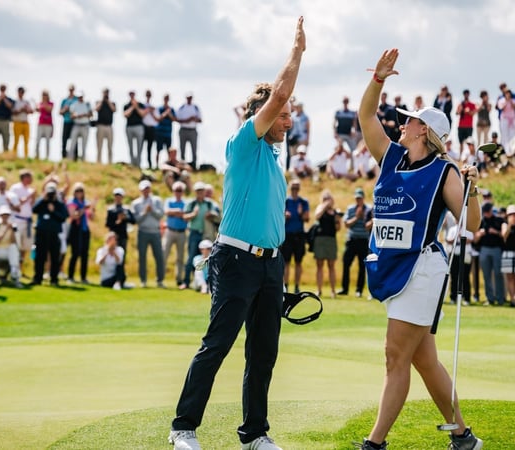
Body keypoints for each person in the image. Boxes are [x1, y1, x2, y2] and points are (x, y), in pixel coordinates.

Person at [169, 17, 304, 450]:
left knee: (263, 354)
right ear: (261, 115)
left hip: (269, 265)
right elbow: (280, 92)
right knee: (217, 346)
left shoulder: (275, 158)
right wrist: (297, 52)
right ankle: (183, 428)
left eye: (289, 114)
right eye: (283, 113)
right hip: (234, 259)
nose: (289, 118)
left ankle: (254, 435)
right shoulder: (243, 142)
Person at [356, 48, 482, 450]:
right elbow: (365, 117)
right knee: (423, 360)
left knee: (395, 356)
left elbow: (471, 222)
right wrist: (377, 79)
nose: (404, 124)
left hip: (423, 271)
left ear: (425, 133)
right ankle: (462, 436)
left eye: (411, 122)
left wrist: (473, 188)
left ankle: (375, 442)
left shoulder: (444, 170)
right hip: (395, 267)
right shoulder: (391, 158)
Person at [182, 181, 219, 289]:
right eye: (198, 191)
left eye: (202, 191)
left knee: (207, 259)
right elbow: (185, 217)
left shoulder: (209, 203)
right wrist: (193, 214)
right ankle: (187, 281)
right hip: (194, 233)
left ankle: (208, 282)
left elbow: (217, 214)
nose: (200, 193)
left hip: (207, 234)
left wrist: (212, 214)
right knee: (191, 258)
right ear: (195, 192)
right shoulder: (192, 204)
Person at [30, 182, 69, 286]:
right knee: (39, 257)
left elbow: (64, 217)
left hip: (54, 234)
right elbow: (34, 210)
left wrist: (53, 211)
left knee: (55, 257)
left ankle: (54, 279)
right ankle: (37, 278)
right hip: (41, 233)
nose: (51, 195)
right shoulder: (42, 201)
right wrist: (43, 199)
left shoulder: (59, 203)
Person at [337, 187, 371, 298]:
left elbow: (369, 226)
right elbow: (346, 224)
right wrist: (357, 217)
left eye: (360, 198)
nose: (358, 200)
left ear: (363, 198)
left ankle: (359, 290)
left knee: (362, 266)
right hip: (352, 240)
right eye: (356, 198)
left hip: (363, 240)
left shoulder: (369, 209)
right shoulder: (351, 209)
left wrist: (364, 218)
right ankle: (344, 288)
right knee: (346, 264)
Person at [131, 180, 165, 288]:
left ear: (150, 189)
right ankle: (143, 280)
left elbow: (160, 215)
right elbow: (136, 220)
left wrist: (152, 210)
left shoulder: (157, 200)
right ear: (140, 190)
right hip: (143, 232)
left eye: (147, 189)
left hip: (155, 231)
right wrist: (145, 213)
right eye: (144, 189)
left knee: (159, 257)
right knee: (142, 257)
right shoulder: (136, 203)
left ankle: (160, 280)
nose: (146, 191)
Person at [281, 179, 309, 294]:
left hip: (299, 235)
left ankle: (297, 286)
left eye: (297, 188)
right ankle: (286, 285)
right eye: (293, 188)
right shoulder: (285, 201)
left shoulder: (303, 202)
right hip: (287, 234)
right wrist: (285, 216)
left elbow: (307, 218)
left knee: (298, 262)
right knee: (286, 262)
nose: (295, 190)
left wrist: (301, 213)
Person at [312, 189, 340, 298]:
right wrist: (324, 205)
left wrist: (337, 220)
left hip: (331, 240)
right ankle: (319, 290)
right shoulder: (320, 208)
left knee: (331, 265)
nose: (328, 201)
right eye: (325, 198)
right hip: (320, 239)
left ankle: (333, 291)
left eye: (329, 198)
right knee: (319, 265)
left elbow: (338, 228)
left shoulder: (335, 212)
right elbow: (317, 216)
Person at [476, 202, 505, 305]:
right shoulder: (481, 221)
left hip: (496, 249)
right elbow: (475, 239)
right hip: (484, 249)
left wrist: (496, 232)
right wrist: (480, 234)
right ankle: (490, 298)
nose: (486, 214)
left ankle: (500, 298)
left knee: (498, 274)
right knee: (486, 275)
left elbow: (504, 235)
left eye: (488, 212)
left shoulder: (499, 220)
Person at [106, 187, 135, 284]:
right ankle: (114, 279)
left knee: (121, 258)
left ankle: (121, 279)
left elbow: (133, 220)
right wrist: (117, 222)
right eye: (116, 196)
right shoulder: (111, 210)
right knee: (113, 258)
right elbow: (108, 224)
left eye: (120, 196)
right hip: (113, 238)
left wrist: (125, 218)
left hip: (123, 237)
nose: (118, 198)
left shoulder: (126, 209)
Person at [66, 182, 94, 284]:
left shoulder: (85, 202)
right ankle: (70, 276)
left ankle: (83, 277)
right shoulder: (72, 202)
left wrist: (92, 209)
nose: (79, 193)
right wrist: (83, 210)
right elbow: (74, 216)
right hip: (75, 229)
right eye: (77, 191)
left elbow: (91, 217)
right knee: (75, 253)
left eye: (81, 191)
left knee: (84, 254)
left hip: (84, 229)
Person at [163, 181, 188, 288]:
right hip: (170, 231)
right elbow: (167, 212)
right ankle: (160, 278)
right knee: (164, 254)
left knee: (180, 257)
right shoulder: (168, 200)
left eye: (180, 190)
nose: (178, 192)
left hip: (182, 232)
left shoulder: (186, 203)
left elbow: (185, 214)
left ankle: (179, 279)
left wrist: (176, 213)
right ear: (173, 191)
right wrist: (178, 211)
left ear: (182, 192)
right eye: (176, 190)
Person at [0, 205, 22, 288]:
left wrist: (11, 230)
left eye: (7, 215)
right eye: (3, 215)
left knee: (13, 249)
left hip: (9, 250)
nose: (5, 217)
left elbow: (14, 242)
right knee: (13, 253)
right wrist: (6, 230)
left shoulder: (13, 226)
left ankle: (15, 278)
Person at [176, 92, 202, 169]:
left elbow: (200, 120)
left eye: (190, 97)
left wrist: (195, 119)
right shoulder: (181, 107)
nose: (189, 99)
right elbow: (177, 120)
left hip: (193, 130)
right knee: (182, 149)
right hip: (183, 130)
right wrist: (188, 120)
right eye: (188, 97)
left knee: (194, 149)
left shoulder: (196, 107)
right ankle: (183, 166)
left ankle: (194, 166)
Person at [123, 90, 146, 168]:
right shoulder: (126, 105)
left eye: (133, 94)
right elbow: (125, 115)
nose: (132, 96)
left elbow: (143, 114)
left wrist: (136, 107)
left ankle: (138, 164)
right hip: (129, 127)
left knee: (139, 147)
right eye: (131, 94)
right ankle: (132, 163)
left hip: (139, 127)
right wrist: (132, 107)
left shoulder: (141, 105)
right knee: (131, 147)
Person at [68, 91, 92, 161]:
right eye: (79, 97)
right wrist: (78, 115)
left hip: (85, 125)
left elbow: (91, 114)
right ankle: (70, 159)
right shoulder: (74, 105)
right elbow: (71, 116)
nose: (80, 98)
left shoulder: (87, 104)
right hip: (76, 125)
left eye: (81, 97)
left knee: (84, 145)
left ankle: (83, 159)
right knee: (72, 143)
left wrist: (84, 115)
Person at [95, 88, 116, 164]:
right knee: (99, 146)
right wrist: (102, 100)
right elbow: (96, 109)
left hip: (109, 127)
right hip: (100, 126)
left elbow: (114, 109)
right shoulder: (99, 102)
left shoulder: (112, 103)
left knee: (110, 146)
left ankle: (110, 162)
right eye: (105, 93)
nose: (106, 94)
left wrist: (108, 101)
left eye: (107, 92)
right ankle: (98, 162)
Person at [11, 87, 33, 157]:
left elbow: (31, 111)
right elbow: (13, 112)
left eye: (22, 92)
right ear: (18, 92)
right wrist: (21, 110)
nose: (21, 93)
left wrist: (26, 109)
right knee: (16, 141)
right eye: (20, 92)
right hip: (17, 122)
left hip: (25, 123)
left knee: (26, 141)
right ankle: (14, 156)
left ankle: (26, 157)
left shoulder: (26, 102)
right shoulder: (14, 102)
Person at [59, 85, 77, 159]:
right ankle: (64, 156)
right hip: (66, 122)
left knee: (74, 140)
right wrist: (65, 109)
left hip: (74, 122)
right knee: (64, 139)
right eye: (70, 89)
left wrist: (71, 110)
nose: (71, 91)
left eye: (72, 89)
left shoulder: (76, 99)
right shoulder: (64, 100)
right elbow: (60, 112)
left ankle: (75, 157)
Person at [34, 90, 53, 159]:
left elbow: (49, 109)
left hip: (48, 125)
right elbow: (37, 110)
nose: (44, 96)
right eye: (43, 95)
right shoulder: (40, 103)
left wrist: (43, 104)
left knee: (47, 141)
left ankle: (47, 157)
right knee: (37, 140)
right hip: (40, 124)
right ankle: (37, 156)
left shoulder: (50, 103)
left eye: (45, 95)